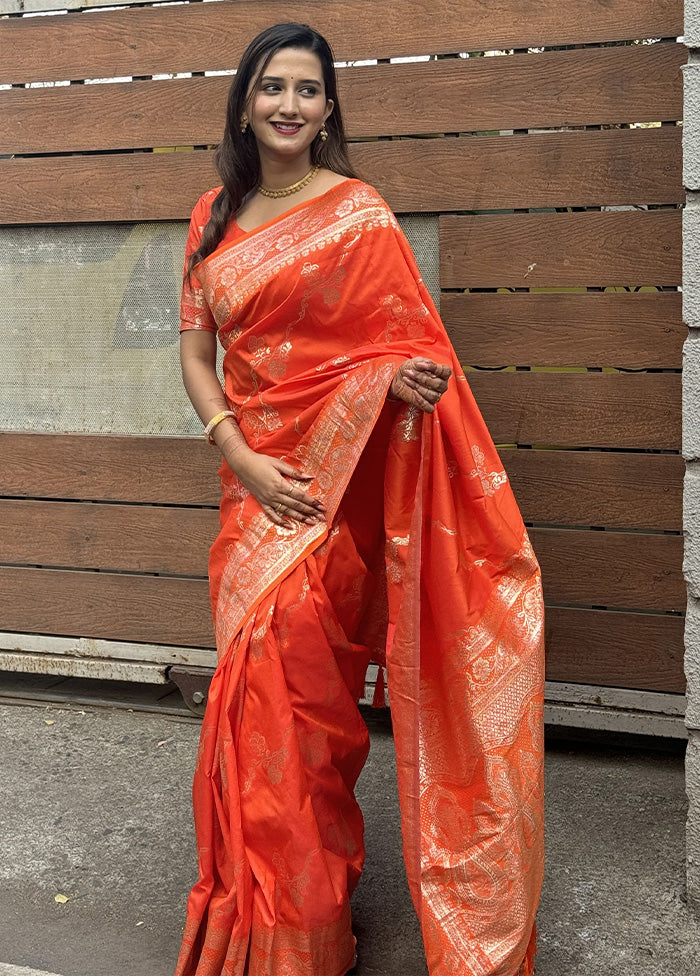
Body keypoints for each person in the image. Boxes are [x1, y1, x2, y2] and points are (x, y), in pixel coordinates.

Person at [174, 22, 544, 976]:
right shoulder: (213, 213)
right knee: (255, 712)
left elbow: (404, 352)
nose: (288, 105)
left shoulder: (360, 214)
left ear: (328, 109)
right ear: (245, 104)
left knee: (305, 720)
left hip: (329, 506)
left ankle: (308, 930)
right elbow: (196, 353)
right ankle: (265, 929)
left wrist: (389, 385)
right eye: (271, 88)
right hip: (256, 493)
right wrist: (242, 455)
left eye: (306, 89)